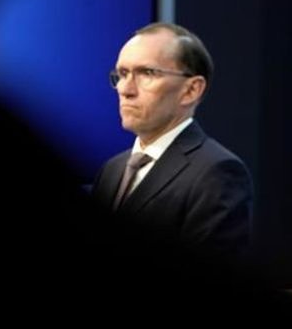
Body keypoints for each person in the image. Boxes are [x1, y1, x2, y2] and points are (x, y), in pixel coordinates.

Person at [92, 22, 252, 260]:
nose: (125, 89)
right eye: (123, 74)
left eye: (147, 73)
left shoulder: (217, 173)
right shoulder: (112, 170)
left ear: (191, 90)